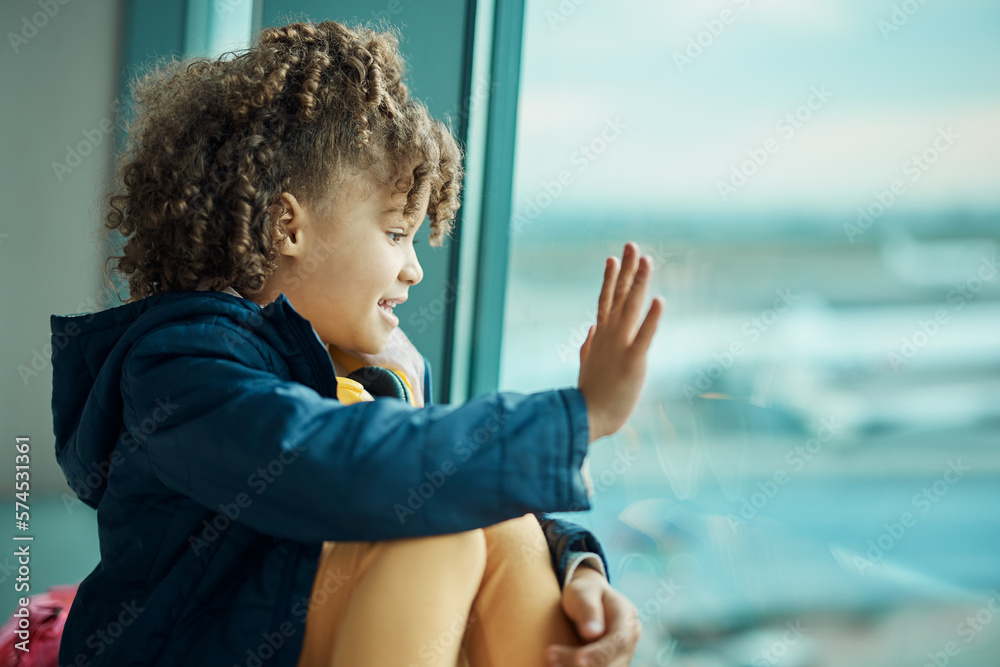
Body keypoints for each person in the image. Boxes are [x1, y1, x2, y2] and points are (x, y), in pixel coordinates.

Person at [50, 19, 661, 667]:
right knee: (432, 531)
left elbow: (450, 478)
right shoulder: (179, 368)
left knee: (499, 522)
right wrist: (578, 415)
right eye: (396, 232)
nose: (413, 269)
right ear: (287, 226)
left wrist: (580, 572)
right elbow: (337, 469)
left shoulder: (361, 365)